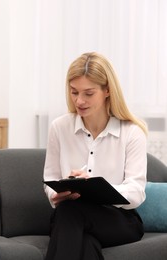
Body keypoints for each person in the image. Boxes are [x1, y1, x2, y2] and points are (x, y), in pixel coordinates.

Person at [43, 52, 148, 260]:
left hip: (118, 219)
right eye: (74, 92)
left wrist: (98, 187)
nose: (79, 101)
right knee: (85, 240)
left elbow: (136, 192)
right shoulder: (59, 127)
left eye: (88, 94)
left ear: (107, 90)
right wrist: (55, 195)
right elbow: (50, 179)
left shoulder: (132, 132)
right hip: (71, 215)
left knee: (70, 214)